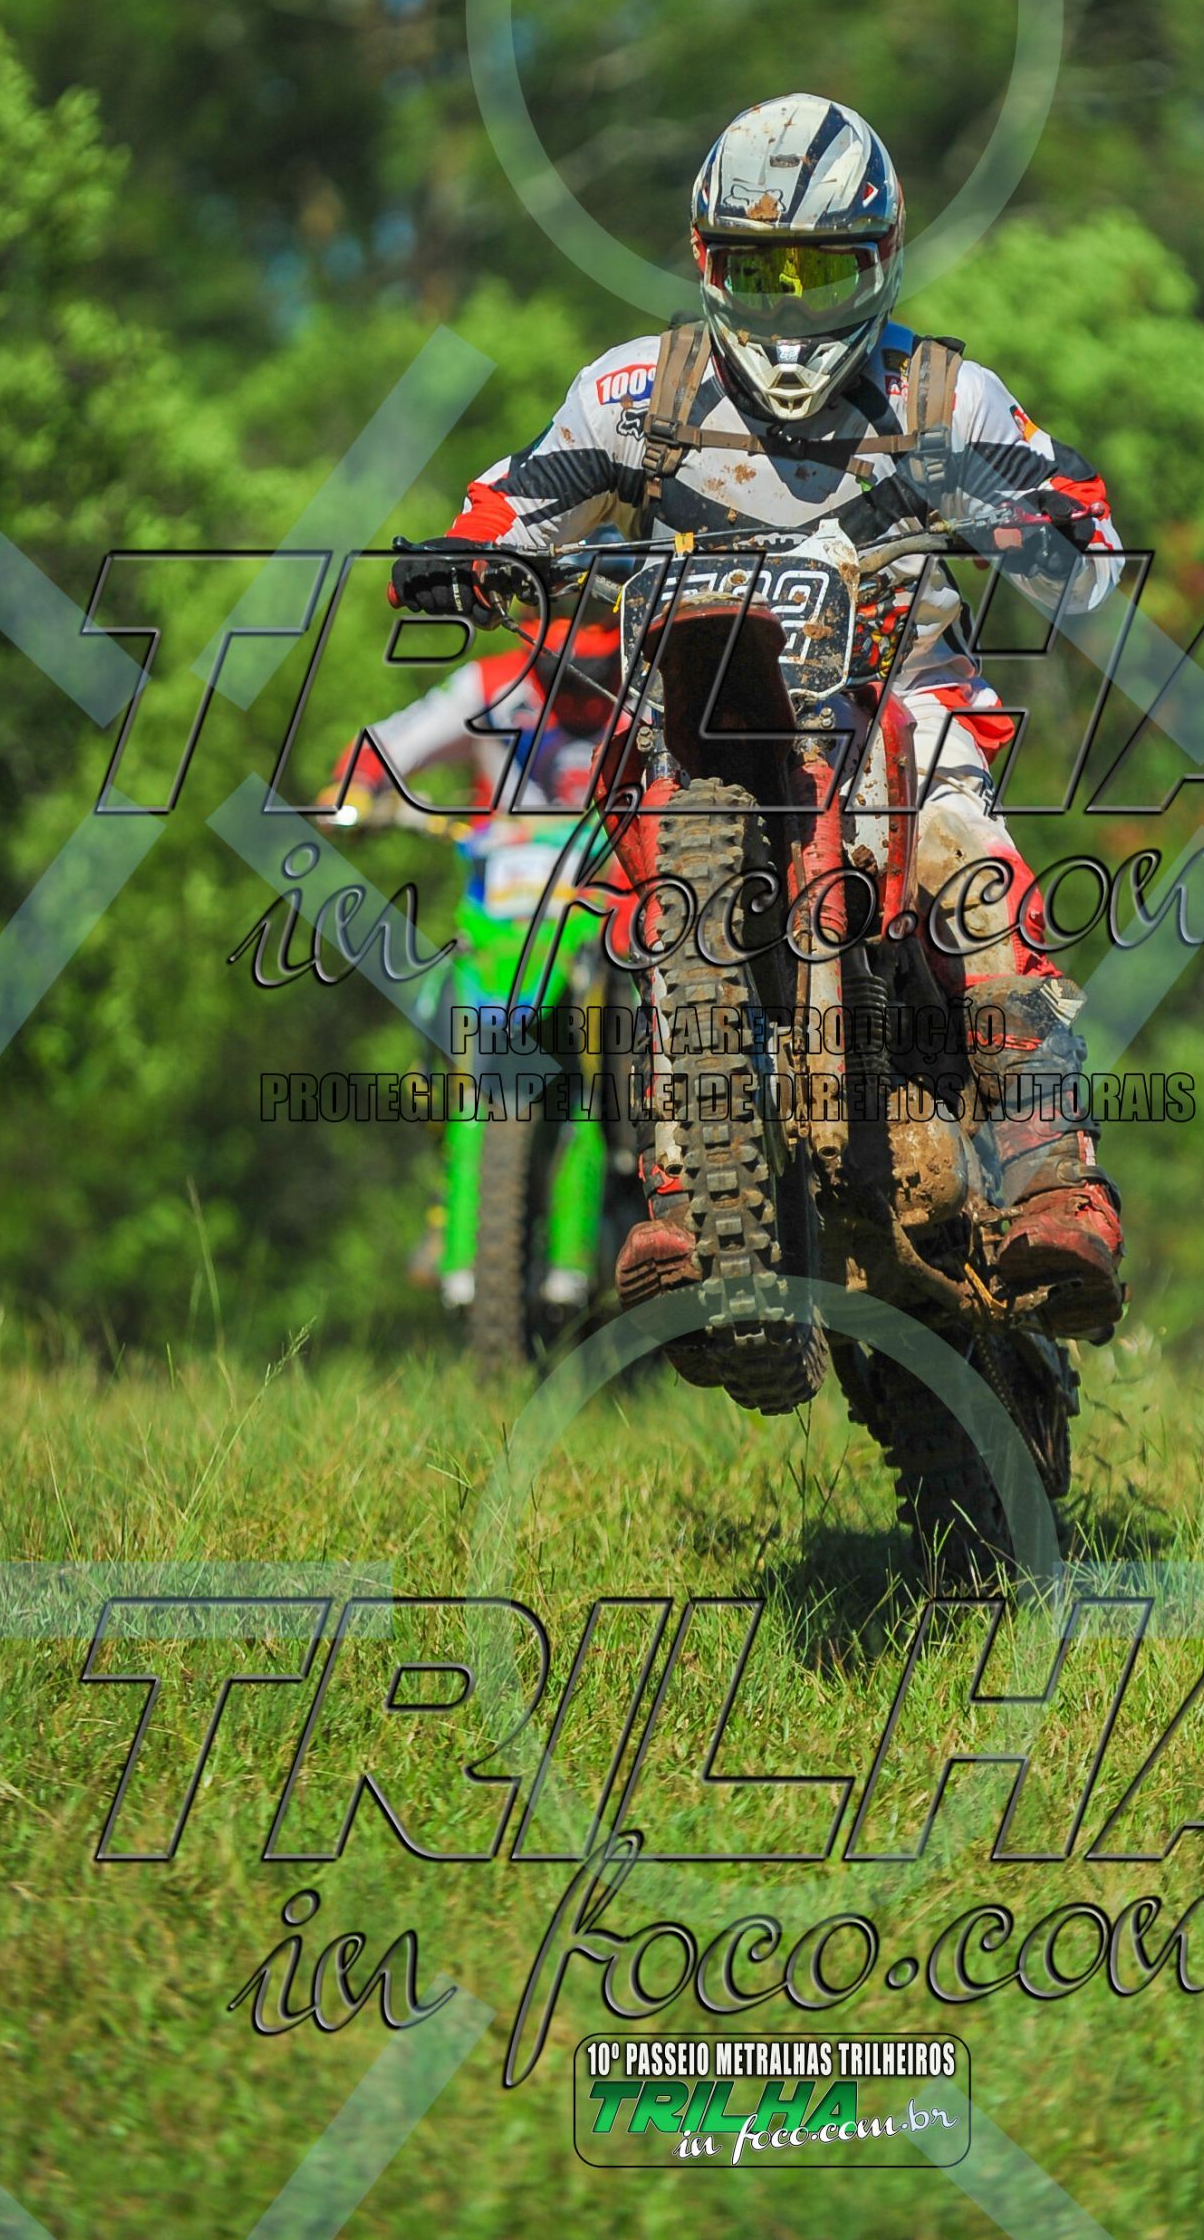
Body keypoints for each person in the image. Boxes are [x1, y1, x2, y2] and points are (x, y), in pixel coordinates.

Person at [391, 94, 1129, 1341]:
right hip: (700, 717)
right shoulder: (638, 393)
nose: (788, 310)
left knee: (966, 858)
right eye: (759, 271)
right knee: (636, 910)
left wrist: (1031, 523)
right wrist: (471, 556)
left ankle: (1058, 1182)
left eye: (818, 272)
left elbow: (1085, 535)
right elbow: (514, 500)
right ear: (706, 259)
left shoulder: (942, 397)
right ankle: (683, 1191)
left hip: (897, 698)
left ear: (879, 259)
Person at [321, 604, 625, 1314]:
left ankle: (669, 1170)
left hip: (609, 898)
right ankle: (447, 1202)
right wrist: (356, 787)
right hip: (501, 902)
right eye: (565, 670)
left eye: (596, 669)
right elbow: (389, 744)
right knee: (437, 1016)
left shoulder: (647, 694)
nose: (581, 690)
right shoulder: (490, 687)